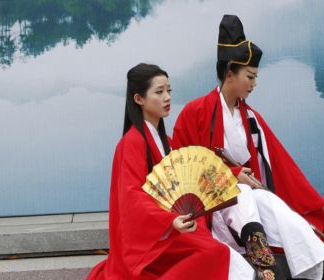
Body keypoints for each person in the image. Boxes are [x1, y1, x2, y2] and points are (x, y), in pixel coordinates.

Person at [173, 15, 324, 280]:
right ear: (230, 74)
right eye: (250, 77)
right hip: (215, 207)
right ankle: (265, 265)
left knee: (274, 204)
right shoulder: (195, 113)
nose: (254, 84)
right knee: (243, 192)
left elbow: (282, 165)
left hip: (249, 203)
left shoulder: (250, 118)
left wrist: (319, 206)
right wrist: (231, 175)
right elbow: (182, 170)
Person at [87, 63, 256, 280]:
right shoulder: (131, 143)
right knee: (214, 252)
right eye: (159, 92)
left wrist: (233, 174)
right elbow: (132, 197)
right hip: (151, 238)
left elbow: (195, 175)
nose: (167, 97)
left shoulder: (165, 142)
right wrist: (168, 221)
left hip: (170, 230)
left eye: (169, 90)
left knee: (219, 250)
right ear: (138, 99)